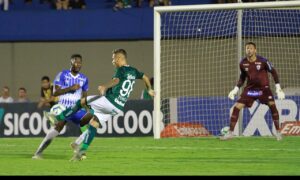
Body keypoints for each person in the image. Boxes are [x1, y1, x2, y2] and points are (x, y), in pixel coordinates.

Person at [49, 49, 154, 161]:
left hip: (109, 101)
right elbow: (145, 77)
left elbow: (116, 81)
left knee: (82, 101)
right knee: (93, 124)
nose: (112, 61)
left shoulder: (121, 70)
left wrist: (105, 86)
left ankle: (58, 117)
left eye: (113, 58)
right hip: (118, 107)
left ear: (119, 58)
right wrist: (150, 89)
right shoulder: (133, 71)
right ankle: (81, 149)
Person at [221, 42, 285, 141]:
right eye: (247, 48)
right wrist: (236, 89)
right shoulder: (242, 63)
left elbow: (273, 72)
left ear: (255, 50)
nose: (249, 50)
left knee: (273, 106)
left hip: (264, 89)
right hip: (250, 89)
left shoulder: (263, 61)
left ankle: (278, 132)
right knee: (236, 108)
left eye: (251, 48)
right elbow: (242, 77)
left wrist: (278, 88)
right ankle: (230, 133)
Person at [32, 54, 90, 159]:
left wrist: (87, 109)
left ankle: (77, 146)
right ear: (71, 62)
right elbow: (55, 92)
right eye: (75, 62)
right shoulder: (63, 74)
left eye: (80, 62)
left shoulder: (84, 79)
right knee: (55, 130)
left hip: (76, 108)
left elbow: (84, 97)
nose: (78, 64)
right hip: (63, 108)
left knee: (91, 126)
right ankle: (38, 152)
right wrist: (70, 88)